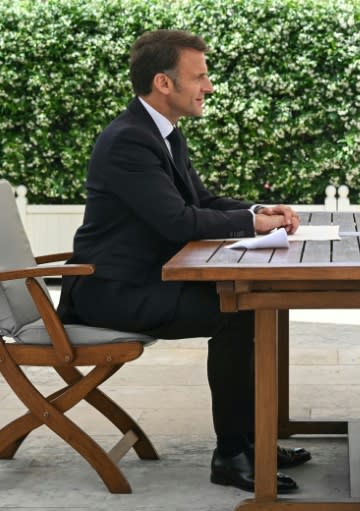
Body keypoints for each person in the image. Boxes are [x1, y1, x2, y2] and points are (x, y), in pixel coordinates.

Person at [57, 29, 309, 493]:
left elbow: (202, 200)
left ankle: (254, 443)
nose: (208, 87)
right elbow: (177, 222)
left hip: (146, 282)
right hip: (113, 291)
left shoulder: (162, 134)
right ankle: (232, 455)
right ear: (164, 83)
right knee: (239, 314)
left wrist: (259, 212)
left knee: (256, 305)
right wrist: (251, 225)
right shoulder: (129, 141)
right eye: (200, 77)